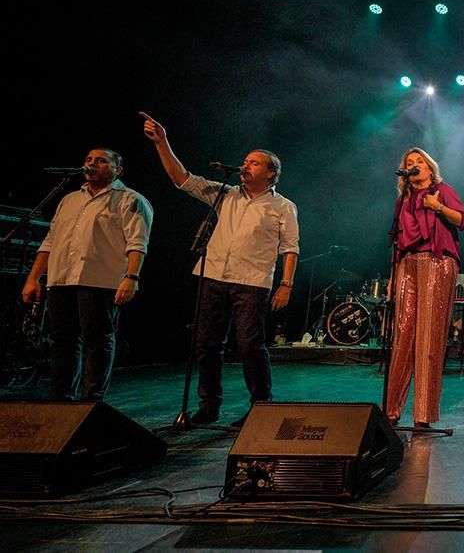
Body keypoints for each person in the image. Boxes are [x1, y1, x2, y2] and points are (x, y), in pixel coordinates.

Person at [142, 112, 299, 426]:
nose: (246, 165)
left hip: (252, 282)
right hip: (212, 276)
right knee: (206, 343)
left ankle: (261, 405)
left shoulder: (283, 206)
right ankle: (209, 406)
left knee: (250, 345)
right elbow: (182, 179)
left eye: (254, 163)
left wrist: (286, 284)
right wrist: (162, 143)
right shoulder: (225, 194)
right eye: (245, 161)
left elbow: (290, 248)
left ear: (271, 173)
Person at [21, 148, 153, 401]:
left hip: (99, 280)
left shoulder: (129, 199)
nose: (92, 164)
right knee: (61, 340)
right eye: (89, 160)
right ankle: (61, 398)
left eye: (101, 161)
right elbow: (50, 241)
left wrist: (132, 277)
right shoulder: (70, 199)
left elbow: (137, 243)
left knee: (97, 339)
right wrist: (33, 278)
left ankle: (92, 400)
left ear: (118, 169)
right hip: (62, 279)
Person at [385, 147, 464, 427]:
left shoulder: (442, 190)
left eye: (419, 161)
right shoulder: (403, 200)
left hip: (437, 261)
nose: (414, 165)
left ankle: (423, 413)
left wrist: (438, 207)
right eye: (409, 162)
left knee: (429, 336)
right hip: (407, 264)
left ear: (430, 168)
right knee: (402, 334)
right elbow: (397, 241)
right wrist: (392, 279)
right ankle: (390, 410)